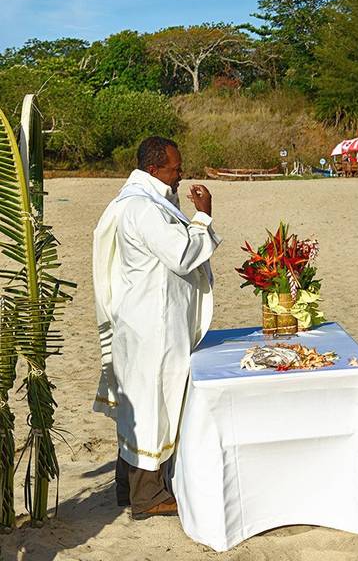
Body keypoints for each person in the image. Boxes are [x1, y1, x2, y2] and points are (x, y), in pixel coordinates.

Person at [92, 137, 221, 519]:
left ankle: (125, 486)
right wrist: (204, 216)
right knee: (153, 406)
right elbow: (181, 254)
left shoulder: (141, 200)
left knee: (140, 404)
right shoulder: (142, 208)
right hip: (155, 324)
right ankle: (147, 497)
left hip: (146, 319)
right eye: (174, 169)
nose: (180, 174)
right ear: (153, 169)